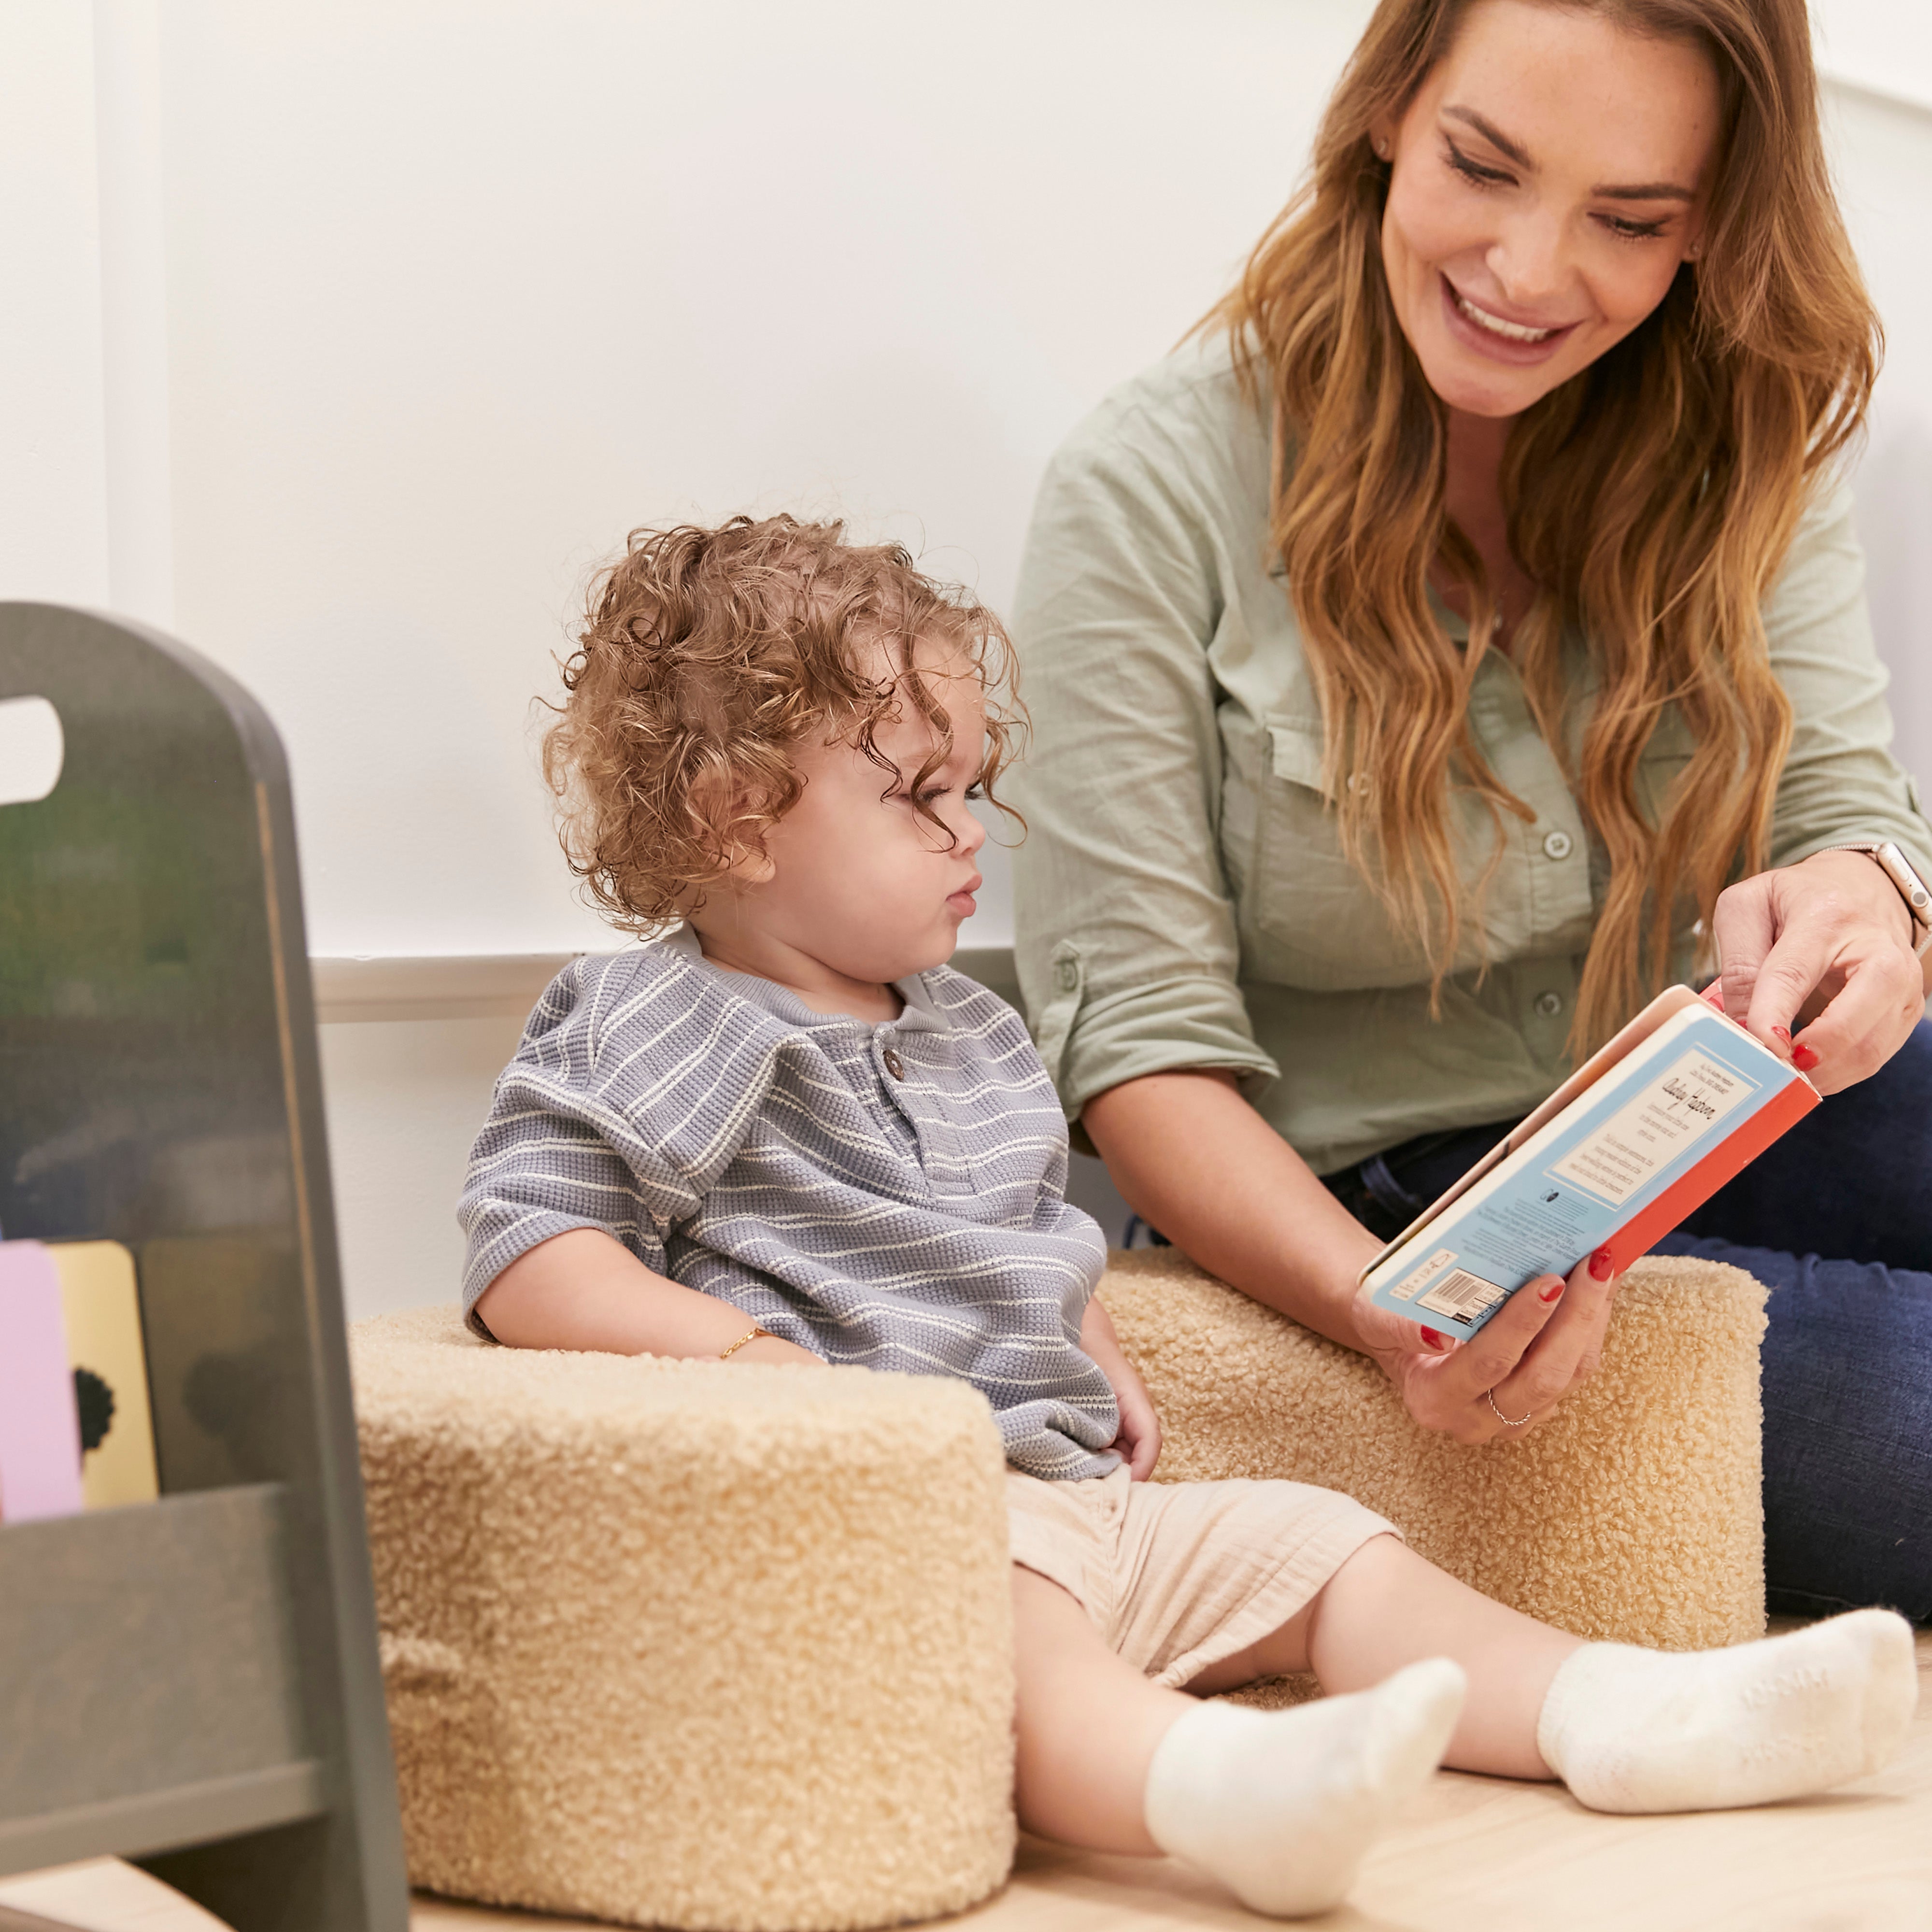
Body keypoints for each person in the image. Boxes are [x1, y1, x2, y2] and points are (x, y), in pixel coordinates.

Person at [457, 515, 1914, 1919]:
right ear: (739, 824)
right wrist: (733, 1363)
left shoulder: (967, 1028)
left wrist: (1083, 1324)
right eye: (923, 798)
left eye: (976, 786)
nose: (975, 833)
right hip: (890, 1525)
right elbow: (529, 1246)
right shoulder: (658, 1016)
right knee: (1013, 1637)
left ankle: (1626, 1711)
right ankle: (1211, 1789)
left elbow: (1016, 1222)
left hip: (1079, 1497)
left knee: (1325, 1546)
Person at [1007, 0, 1932, 1620]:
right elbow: (1141, 1058)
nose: (1523, 270)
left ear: (1712, 223)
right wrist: (1381, 1309)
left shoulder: (1739, 439)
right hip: (1381, 1198)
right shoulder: (1150, 490)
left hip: (1717, 1101)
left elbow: (1853, 808)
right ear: (1386, 114)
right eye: (1483, 167)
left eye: (1630, 220)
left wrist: (1875, 897)